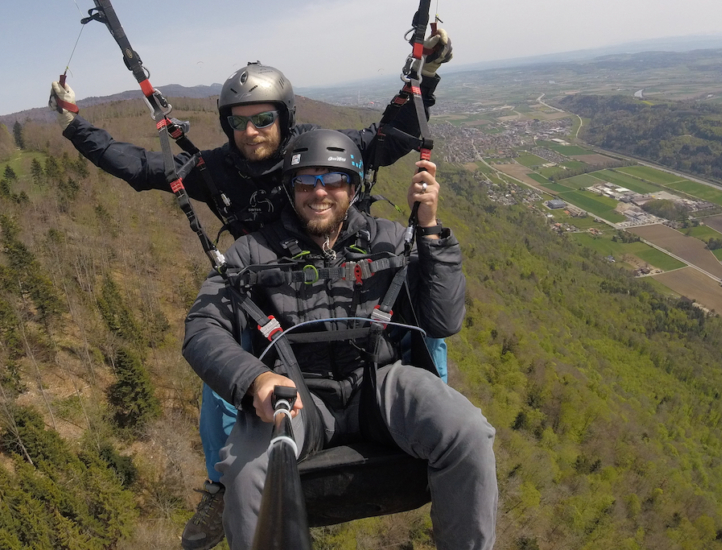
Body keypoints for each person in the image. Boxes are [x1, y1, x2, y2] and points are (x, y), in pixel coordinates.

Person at [49, 48, 451, 549]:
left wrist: (426, 75)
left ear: (284, 119)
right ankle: (223, 488)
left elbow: (391, 136)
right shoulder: (216, 171)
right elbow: (141, 167)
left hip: (345, 284)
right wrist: (73, 125)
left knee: (423, 331)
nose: (251, 132)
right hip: (270, 303)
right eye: (239, 123)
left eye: (264, 119)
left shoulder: (322, 150)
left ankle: (433, 442)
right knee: (224, 382)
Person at [182, 129, 497, 549]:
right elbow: (203, 326)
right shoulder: (251, 254)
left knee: (468, 432)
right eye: (306, 181)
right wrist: (255, 379)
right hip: (296, 393)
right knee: (246, 470)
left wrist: (430, 231)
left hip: (380, 380)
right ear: (290, 187)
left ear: (353, 186)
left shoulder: (389, 240)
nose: (319, 193)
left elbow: (442, 320)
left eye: (332, 180)